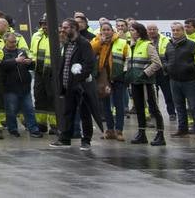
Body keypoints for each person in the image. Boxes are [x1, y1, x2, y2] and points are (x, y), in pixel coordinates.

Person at [52, 19, 97, 150]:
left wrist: (79, 78)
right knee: (68, 112)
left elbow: (89, 64)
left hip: (80, 86)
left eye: (65, 28)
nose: (62, 30)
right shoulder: (67, 44)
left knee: (85, 113)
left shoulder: (83, 44)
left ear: (74, 28)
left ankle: (86, 140)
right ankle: (65, 139)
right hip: (68, 86)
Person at [126, 22, 165, 145]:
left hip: (146, 82)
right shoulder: (132, 45)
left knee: (153, 108)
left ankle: (160, 135)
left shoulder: (148, 45)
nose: (130, 32)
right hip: (135, 82)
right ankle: (141, 133)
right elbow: (130, 63)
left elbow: (157, 63)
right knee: (139, 108)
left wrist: (145, 73)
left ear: (139, 31)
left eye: (132, 30)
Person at [165, 21, 195, 138]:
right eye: (173, 30)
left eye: (178, 30)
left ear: (183, 31)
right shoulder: (169, 45)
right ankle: (182, 129)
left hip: (190, 81)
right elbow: (165, 59)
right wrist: (167, 67)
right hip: (174, 80)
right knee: (179, 106)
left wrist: (188, 68)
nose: (175, 32)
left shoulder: (192, 44)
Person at [90, 20, 130, 140]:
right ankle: (109, 130)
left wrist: (125, 74)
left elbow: (128, 59)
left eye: (108, 30)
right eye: (103, 30)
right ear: (100, 31)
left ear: (113, 31)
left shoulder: (122, 42)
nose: (106, 32)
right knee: (106, 106)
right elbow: (90, 51)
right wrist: (100, 42)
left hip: (117, 78)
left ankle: (119, 130)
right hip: (102, 78)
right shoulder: (96, 41)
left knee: (119, 105)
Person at [0, 32, 40, 137]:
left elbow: (31, 66)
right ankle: (13, 130)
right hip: (10, 88)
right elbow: (1, 65)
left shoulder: (22, 51)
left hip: (24, 87)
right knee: (11, 111)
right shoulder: (1, 53)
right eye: (11, 42)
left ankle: (34, 130)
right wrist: (15, 61)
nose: (14, 44)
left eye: (15, 42)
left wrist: (29, 62)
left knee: (29, 109)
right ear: (5, 41)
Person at [30, 17, 56, 134]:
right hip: (39, 72)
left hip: (52, 73)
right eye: (42, 24)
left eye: (47, 24)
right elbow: (32, 52)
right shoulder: (36, 36)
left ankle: (55, 125)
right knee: (39, 98)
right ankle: (41, 124)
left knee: (52, 99)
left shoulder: (57, 36)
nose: (44, 26)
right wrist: (30, 61)